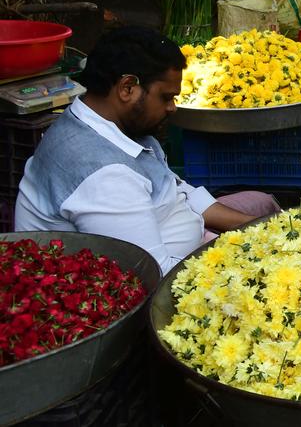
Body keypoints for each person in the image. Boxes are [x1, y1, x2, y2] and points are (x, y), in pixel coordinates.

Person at [14, 27, 280, 274]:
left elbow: (177, 190)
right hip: (167, 275)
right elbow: (152, 275)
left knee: (262, 204)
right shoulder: (105, 177)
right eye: (166, 97)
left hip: (189, 233)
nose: (172, 107)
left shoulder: (106, 122)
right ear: (127, 88)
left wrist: (254, 226)